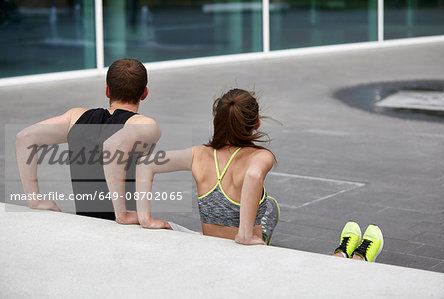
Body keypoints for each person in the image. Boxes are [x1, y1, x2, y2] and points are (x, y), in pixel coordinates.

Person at [136, 88, 384, 261]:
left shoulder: (197, 154)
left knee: (173, 227)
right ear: (256, 124)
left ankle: (264, 221)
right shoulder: (261, 157)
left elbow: (145, 164)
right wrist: (244, 234)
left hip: (210, 244)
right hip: (247, 250)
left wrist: (146, 219)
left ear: (217, 121)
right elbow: (253, 177)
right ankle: (352, 255)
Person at [15, 58, 170, 228]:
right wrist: (122, 214)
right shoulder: (146, 125)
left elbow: (25, 138)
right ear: (145, 93)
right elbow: (113, 146)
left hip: (86, 225)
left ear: (107, 91)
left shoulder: (76, 117)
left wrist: (34, 200)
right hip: (126, 229)